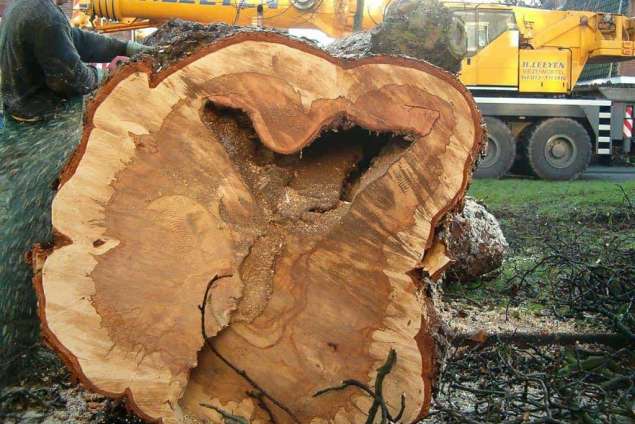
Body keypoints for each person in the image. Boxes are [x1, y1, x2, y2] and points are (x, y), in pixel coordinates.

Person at [0, 0, 152, 122]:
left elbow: (76, 39)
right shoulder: (45, 15)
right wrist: (107, 75)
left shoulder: (24, 5)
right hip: (40, 117)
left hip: (18, 107)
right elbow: (70, 80)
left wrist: (125, 48)